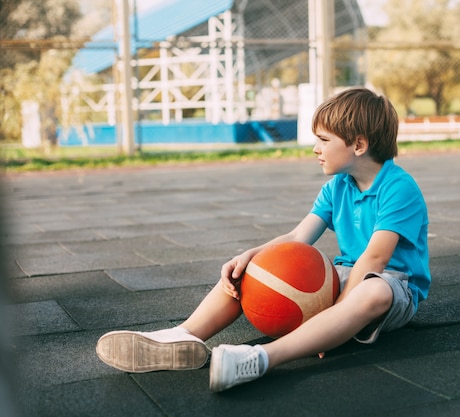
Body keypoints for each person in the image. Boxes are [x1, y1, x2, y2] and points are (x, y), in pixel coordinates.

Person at [96, 87, 431, 392]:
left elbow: (374, 261)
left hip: (394, 287)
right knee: (259, 270)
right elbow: (298, 237)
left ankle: (259, 359)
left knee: (373, 290)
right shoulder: (337, 187)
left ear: (358, 145)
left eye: (324, 140)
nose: (315, 148)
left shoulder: (398, 188)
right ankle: (183, 335)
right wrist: (251, 256)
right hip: (347, 273)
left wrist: (338, 309)